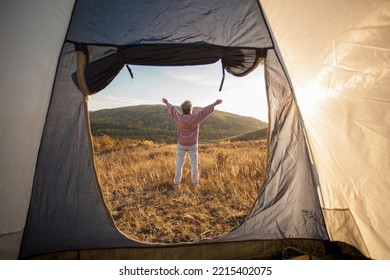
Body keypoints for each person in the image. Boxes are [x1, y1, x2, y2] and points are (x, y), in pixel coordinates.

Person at [162, 98, 223, 188]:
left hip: (182, 145)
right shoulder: (195, 118)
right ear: (190, 109)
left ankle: (176, 183)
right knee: (194, 165)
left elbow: (172, 110)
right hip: (193, 145)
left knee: (179, 164)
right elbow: (204, 111)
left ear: (182, 109)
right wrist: (214, 104)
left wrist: (167, 103)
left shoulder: (179, 117)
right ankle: (195, 183)